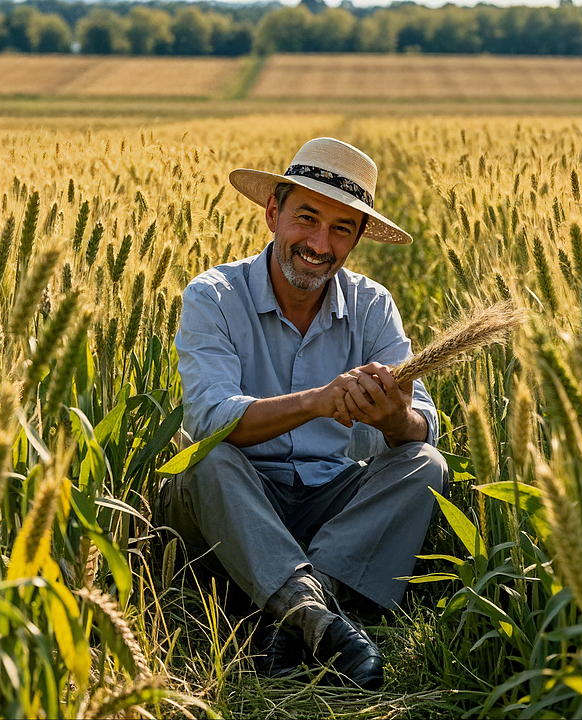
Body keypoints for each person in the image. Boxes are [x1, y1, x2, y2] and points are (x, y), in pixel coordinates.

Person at [162, 137, 449, 689]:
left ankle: (292, 617)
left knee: (425, 463)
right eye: (307, 218)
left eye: (341, 228)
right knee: (205, 460)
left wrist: (393, 418)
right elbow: (210, 419)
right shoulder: (214, 296)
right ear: (273, 213)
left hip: (328, 505)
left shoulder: (372, 306)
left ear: (359, 239)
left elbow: (422, 424)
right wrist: (318, 400)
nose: (319, 243)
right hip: (235, 508)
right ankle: (326, 620)